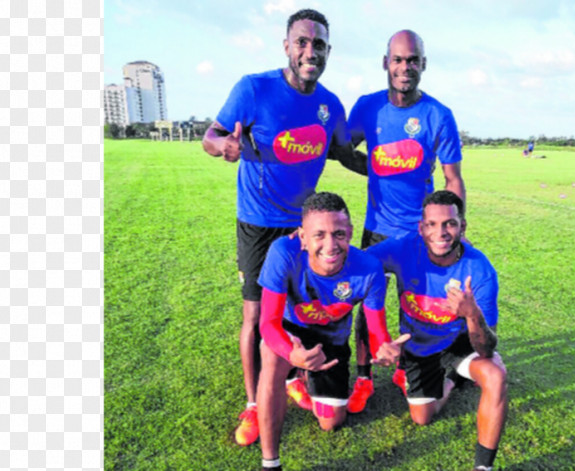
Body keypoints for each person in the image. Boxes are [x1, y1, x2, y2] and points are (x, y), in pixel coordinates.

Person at [201, 9, 353, 446]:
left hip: (304, 227)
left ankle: (291, 378)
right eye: (302, 42)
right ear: (286, 46)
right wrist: (222, 145)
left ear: (327, 52)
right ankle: (253, 403)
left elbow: (345, 153)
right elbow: (209, 136)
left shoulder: (330, 105)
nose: (310, 51)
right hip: (259, 223)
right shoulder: (253, 88)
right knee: (255, 314)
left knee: (298, 308)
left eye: (318, 44)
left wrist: (396, 171)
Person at [341, 30, 467, 413]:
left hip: (422, 233)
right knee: (366, 304)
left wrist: (454, 227)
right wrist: (374, 169)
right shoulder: (367, 108)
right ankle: (363, 377)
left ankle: (408, 366)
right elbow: (343, 149)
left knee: (415, 304)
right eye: (397, 59)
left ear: (423, 65)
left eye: (412, 60)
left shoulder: (438, 115)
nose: (404, 67)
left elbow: (453, 179)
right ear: (385, 63)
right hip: (378, 226)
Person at [256, 192, 406, 471]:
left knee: (331, 422)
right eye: (319, 235)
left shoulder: (370, 269)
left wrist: (384, 347)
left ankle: (301, 375)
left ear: (349, 232)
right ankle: (270, 462)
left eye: (338, 234)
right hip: (292, 334)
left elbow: (376, 329)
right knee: (271, 357)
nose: (330, 244)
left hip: (331, 344)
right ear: (302, 236)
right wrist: (292, 353)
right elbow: (268, 323)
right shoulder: (283, 252)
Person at [366, 190, 507, 471]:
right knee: (422, 417)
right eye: (432, 224)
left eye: (450, 224)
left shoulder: (480, 269)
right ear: (421, 227)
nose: (440, 232)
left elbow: (486, 348)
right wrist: (305, 245)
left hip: (459, 340)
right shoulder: (403, 248)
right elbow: (356, 262)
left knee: (495, 373)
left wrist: (471, 313)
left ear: (462, 226)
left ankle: (483, 467)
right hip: (417, 343)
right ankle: (453, 379)